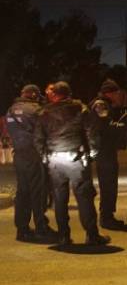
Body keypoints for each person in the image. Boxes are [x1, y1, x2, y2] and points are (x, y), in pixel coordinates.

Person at [34, 81, 110, 246]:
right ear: (68, 93)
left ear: (55, 94)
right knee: (84, 197)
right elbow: (92, 132)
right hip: (76, 158)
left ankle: (63, 236)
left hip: (54, 159)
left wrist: (45, 157)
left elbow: (38, 138)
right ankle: (92, 235)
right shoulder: (80, 109)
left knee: (60, 199)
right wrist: (91, 154)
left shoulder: (44, 112)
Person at [5, 84, 56, 242]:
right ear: (33, 94)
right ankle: (41, 227)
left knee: (23, 192)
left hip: (19, 155)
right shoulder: (35, 110)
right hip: (34, 154)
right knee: (38, 192)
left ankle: (22, 229)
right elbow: (47, 129)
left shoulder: (11, 110)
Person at [89, 79, 127, 230]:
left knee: (110, 185)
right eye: (116, 93)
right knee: (108, 185)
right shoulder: (100, 105)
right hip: (103, 151)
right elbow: (105, 126)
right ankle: (106, 218)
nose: (118, 95)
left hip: (107, 150)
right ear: (108, 93)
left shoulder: (108, 105)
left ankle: (108, 216)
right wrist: (123, 126)